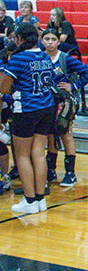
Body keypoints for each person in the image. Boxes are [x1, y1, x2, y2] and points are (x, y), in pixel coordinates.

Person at [0, 23, 55, 213]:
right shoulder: (44, 55)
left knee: (22, 155)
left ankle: (29, 201)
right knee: (39, 153)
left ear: (20, 39)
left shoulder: (18, 58)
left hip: (26, 109)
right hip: (47, 107)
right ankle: (40, 199)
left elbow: (4, 88)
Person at [41, 28, 88, 187]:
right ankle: (50, 170)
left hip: (64, 103)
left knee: (65, 134)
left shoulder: (65, 58)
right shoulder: (40, 57)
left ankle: (70, 173)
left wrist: (74, 85)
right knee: (50, 135)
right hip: (46, 102)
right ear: (42, 41)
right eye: (47, 39)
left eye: (53, 39)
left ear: (59, 41)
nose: (50, 42)